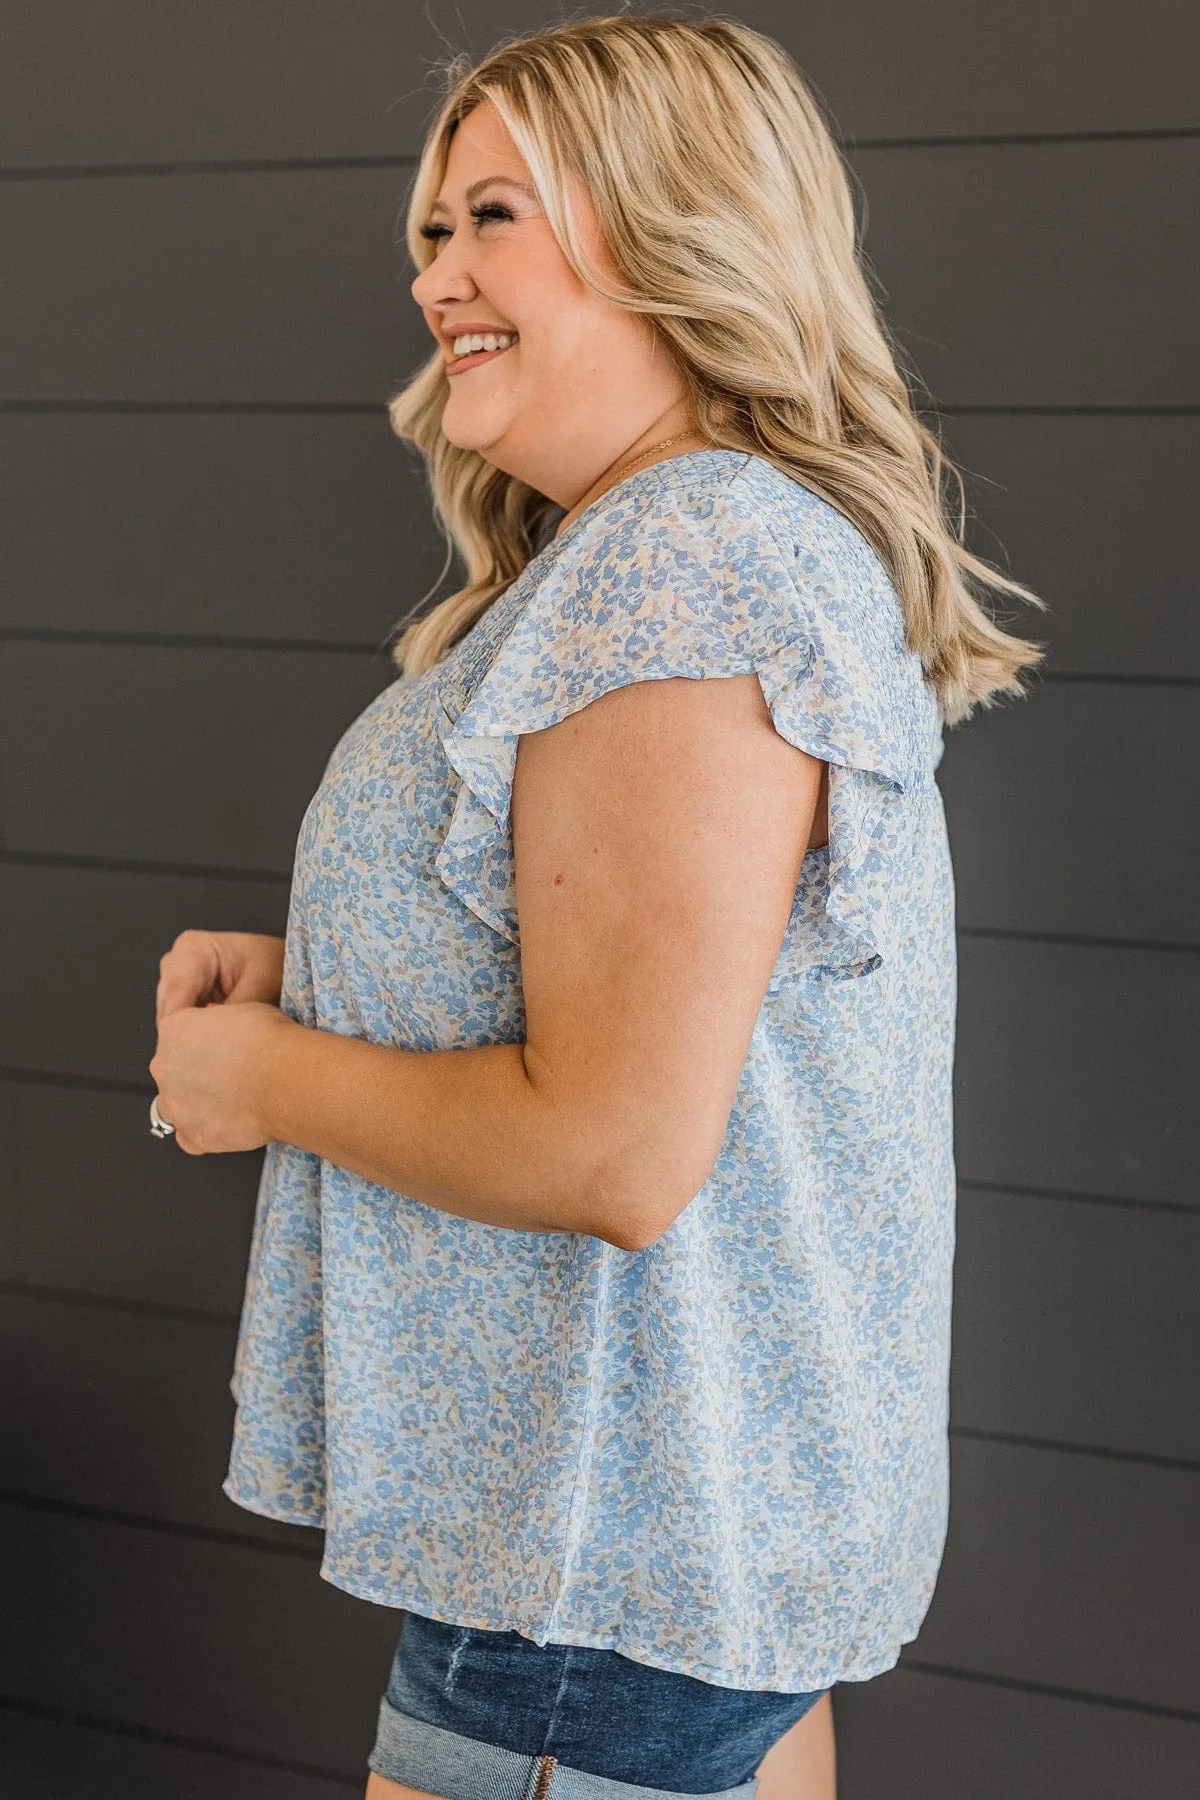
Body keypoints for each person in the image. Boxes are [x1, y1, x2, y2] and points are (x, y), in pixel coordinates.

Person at [149, 14, 1045, 1800]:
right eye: (430, 232)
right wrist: (331, 965)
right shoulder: (670, 548)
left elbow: (620, 1145)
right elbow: (640, 984)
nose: (436, 277)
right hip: (650, 1564)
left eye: (492, 215)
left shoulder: (689, 560)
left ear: (669, 226)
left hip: (596, 1573)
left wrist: (260, 1080)